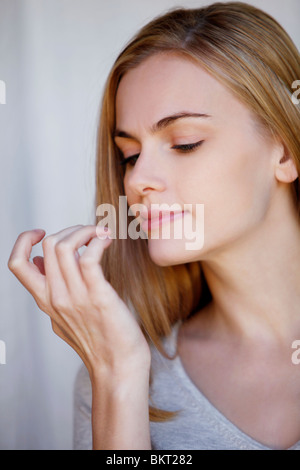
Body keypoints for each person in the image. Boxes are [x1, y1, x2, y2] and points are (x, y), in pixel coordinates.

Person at [8, 2, 300, 450]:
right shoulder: (115, 374)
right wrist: (117, 378)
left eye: (184, 143)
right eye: (129, 154)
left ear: (284, 153)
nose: (137, 179)